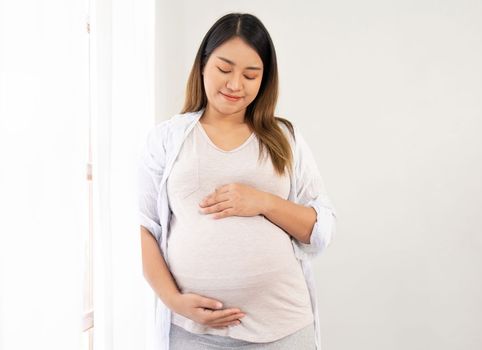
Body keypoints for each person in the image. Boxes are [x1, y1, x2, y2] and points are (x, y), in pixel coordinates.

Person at [137, 13, 336, 350]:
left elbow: (320, 228)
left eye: (250, 75)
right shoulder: (166, 139)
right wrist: (173, 301)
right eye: (224, 69)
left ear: (264, 80)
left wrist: (264, 201)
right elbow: (146, 228)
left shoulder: (285, 138)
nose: (234, 85)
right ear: (202, 65)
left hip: (283, 329)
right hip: (194, 333)